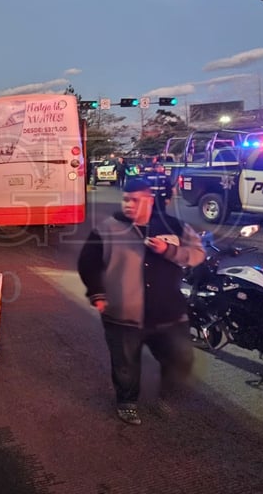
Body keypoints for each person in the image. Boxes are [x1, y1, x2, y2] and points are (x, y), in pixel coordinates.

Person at [76, 178, 206, 425]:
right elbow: (88, 264)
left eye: (135, 200)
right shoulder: (107, 229)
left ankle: (166, 397)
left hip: (169, 312)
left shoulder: (174, 226)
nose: (129, 204)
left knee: (180, 359)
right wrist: (98, 294)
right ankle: (127, 402)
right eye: (126, 199)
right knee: (125, 365)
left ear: (149, 200)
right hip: (123, 314)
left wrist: (168, 251)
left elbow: (197, 254)